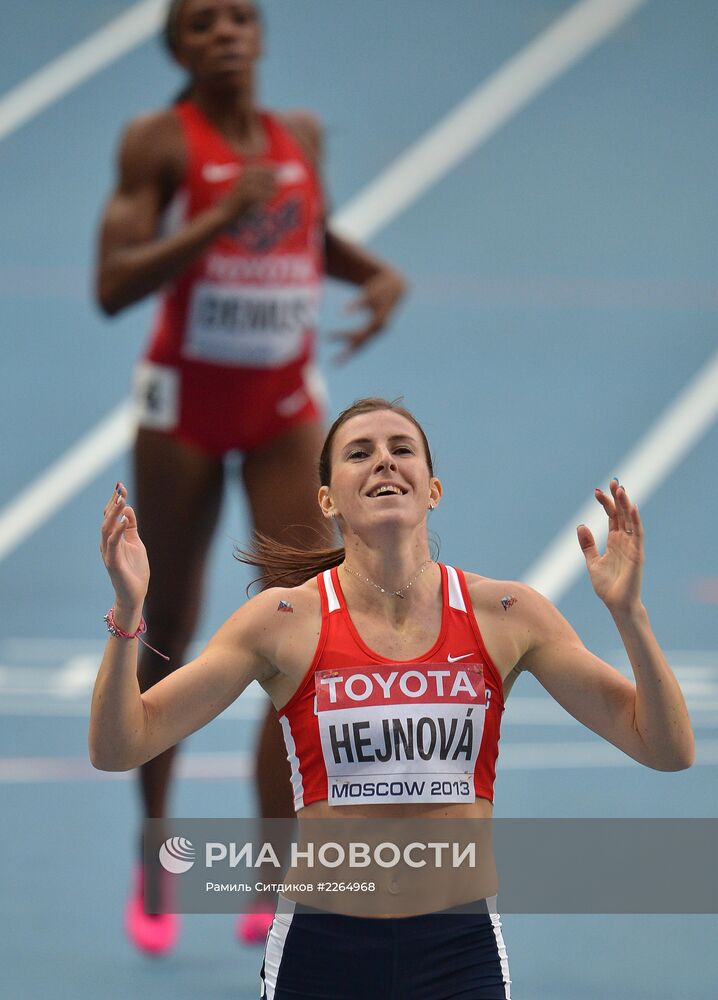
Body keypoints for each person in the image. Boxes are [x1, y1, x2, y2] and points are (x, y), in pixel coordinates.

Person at [91, 397, 695, 999]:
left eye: (401, 449)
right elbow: (122, 746)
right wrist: (127, 613)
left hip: (459, 956)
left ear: (432, 489)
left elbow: (665, 748)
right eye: (360, 453)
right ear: (327, 500)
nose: (384, 461)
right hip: (320, 954)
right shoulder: (283, 621)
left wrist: (630, 613)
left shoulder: (506, 615)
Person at [94, 0, 406, 951]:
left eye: (239, 18)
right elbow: (115, 284)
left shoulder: (297, 136)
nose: (223, 33)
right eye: (200, 24)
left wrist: (375, 275)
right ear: (179, 49)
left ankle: (278, 866)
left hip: (281, 410)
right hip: (184, 415)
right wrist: (216, 217)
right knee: (174, 629)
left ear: (262, 38)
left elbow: (305, 235)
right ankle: (156, 857)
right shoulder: (157, 143)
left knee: (299, 624)